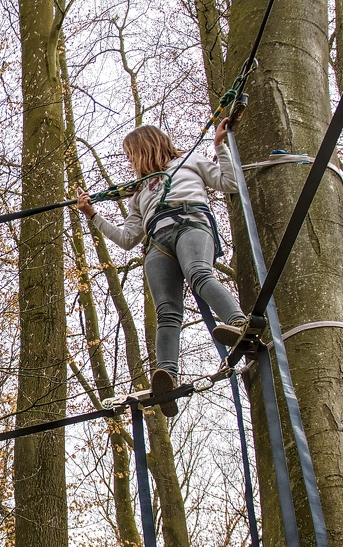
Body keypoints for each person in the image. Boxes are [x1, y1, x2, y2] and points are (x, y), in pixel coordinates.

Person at [74, 121, 253, 402]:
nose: (131, 161)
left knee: (199, 274)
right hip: (157, 243)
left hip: (190, 224)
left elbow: (228, 182)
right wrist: (93, 216)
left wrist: (220, 146)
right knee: (167, 311)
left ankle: (239, 323)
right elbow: (127, 238)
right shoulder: (139, 191)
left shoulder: (189, 160)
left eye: (132, 154)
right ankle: (166, 376)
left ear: (146, 147)